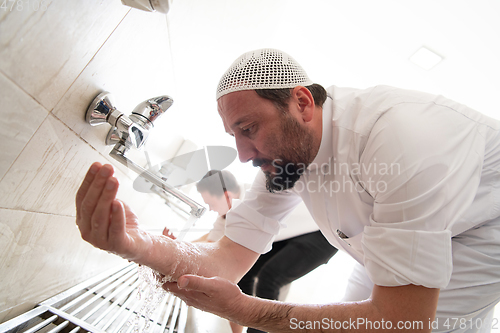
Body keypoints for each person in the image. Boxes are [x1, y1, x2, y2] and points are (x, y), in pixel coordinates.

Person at [75, 48, 500, 332]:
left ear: (301, 102)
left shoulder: (402, 137)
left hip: (476, 245)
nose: (241, 155)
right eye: (234, 135)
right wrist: (135, 245)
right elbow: (226, 259)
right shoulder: (286, 159)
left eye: (249, 129)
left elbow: (401, 323)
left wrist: (243, 310)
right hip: (380, 242)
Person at [184, 169, 338, 333]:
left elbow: (212, 246)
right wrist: (178, 244)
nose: (211, 209)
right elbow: (211, 241)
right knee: (246, 273)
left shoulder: (254, 202)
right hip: (291, 235)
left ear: (227, 196)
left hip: (323, 233)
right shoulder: (228, 210)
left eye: (211, 204)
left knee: (269, 278)